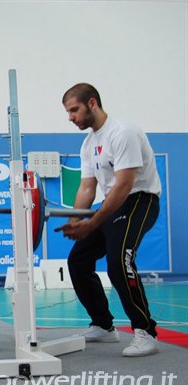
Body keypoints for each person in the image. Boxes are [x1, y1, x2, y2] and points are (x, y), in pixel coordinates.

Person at [58, 83, 161, 357]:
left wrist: (91, 223)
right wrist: (76, 220)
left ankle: (145, 331)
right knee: (78, 260)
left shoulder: (122, 132)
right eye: (68, 112)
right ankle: (103, 326)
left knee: (118, 261)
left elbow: (124, 185)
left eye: (74, 110)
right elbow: (87, 188)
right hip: (113, 204)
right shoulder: (89, 143)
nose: (70, 117)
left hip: (140, 200)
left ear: (92, 103)